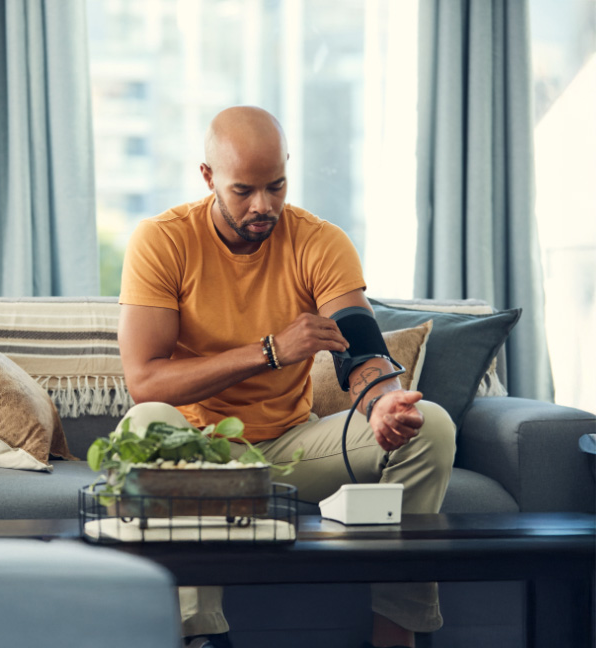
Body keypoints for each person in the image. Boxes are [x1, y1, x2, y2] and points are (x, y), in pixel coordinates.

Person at [116, 106, 456, 648]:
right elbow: (146, 382)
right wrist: (270, 351)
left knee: (431, 424)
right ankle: (200, 636)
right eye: (243, 190)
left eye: (276, 186)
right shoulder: (164, 241)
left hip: (292, 451)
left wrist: (383, 399)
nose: (263, 206)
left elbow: (361, 351)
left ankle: (395, 633)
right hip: (202, 455)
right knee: (144, 423)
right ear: (208, 178)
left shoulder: (318, 241)